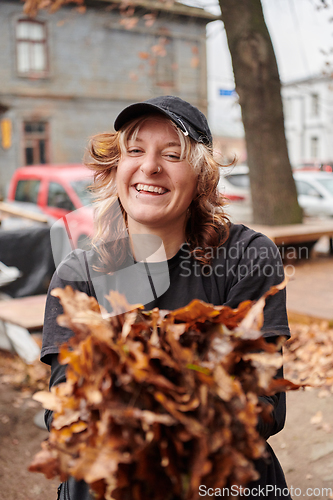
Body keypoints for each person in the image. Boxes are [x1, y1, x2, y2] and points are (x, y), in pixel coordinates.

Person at [41, 96, 291, 500]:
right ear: (115, 168)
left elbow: (264, 405)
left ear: (201, 178)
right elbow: (63, 412)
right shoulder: (79, 275)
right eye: (134, 151)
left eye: (172, 154)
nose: (150, 166)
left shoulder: (245, 255)